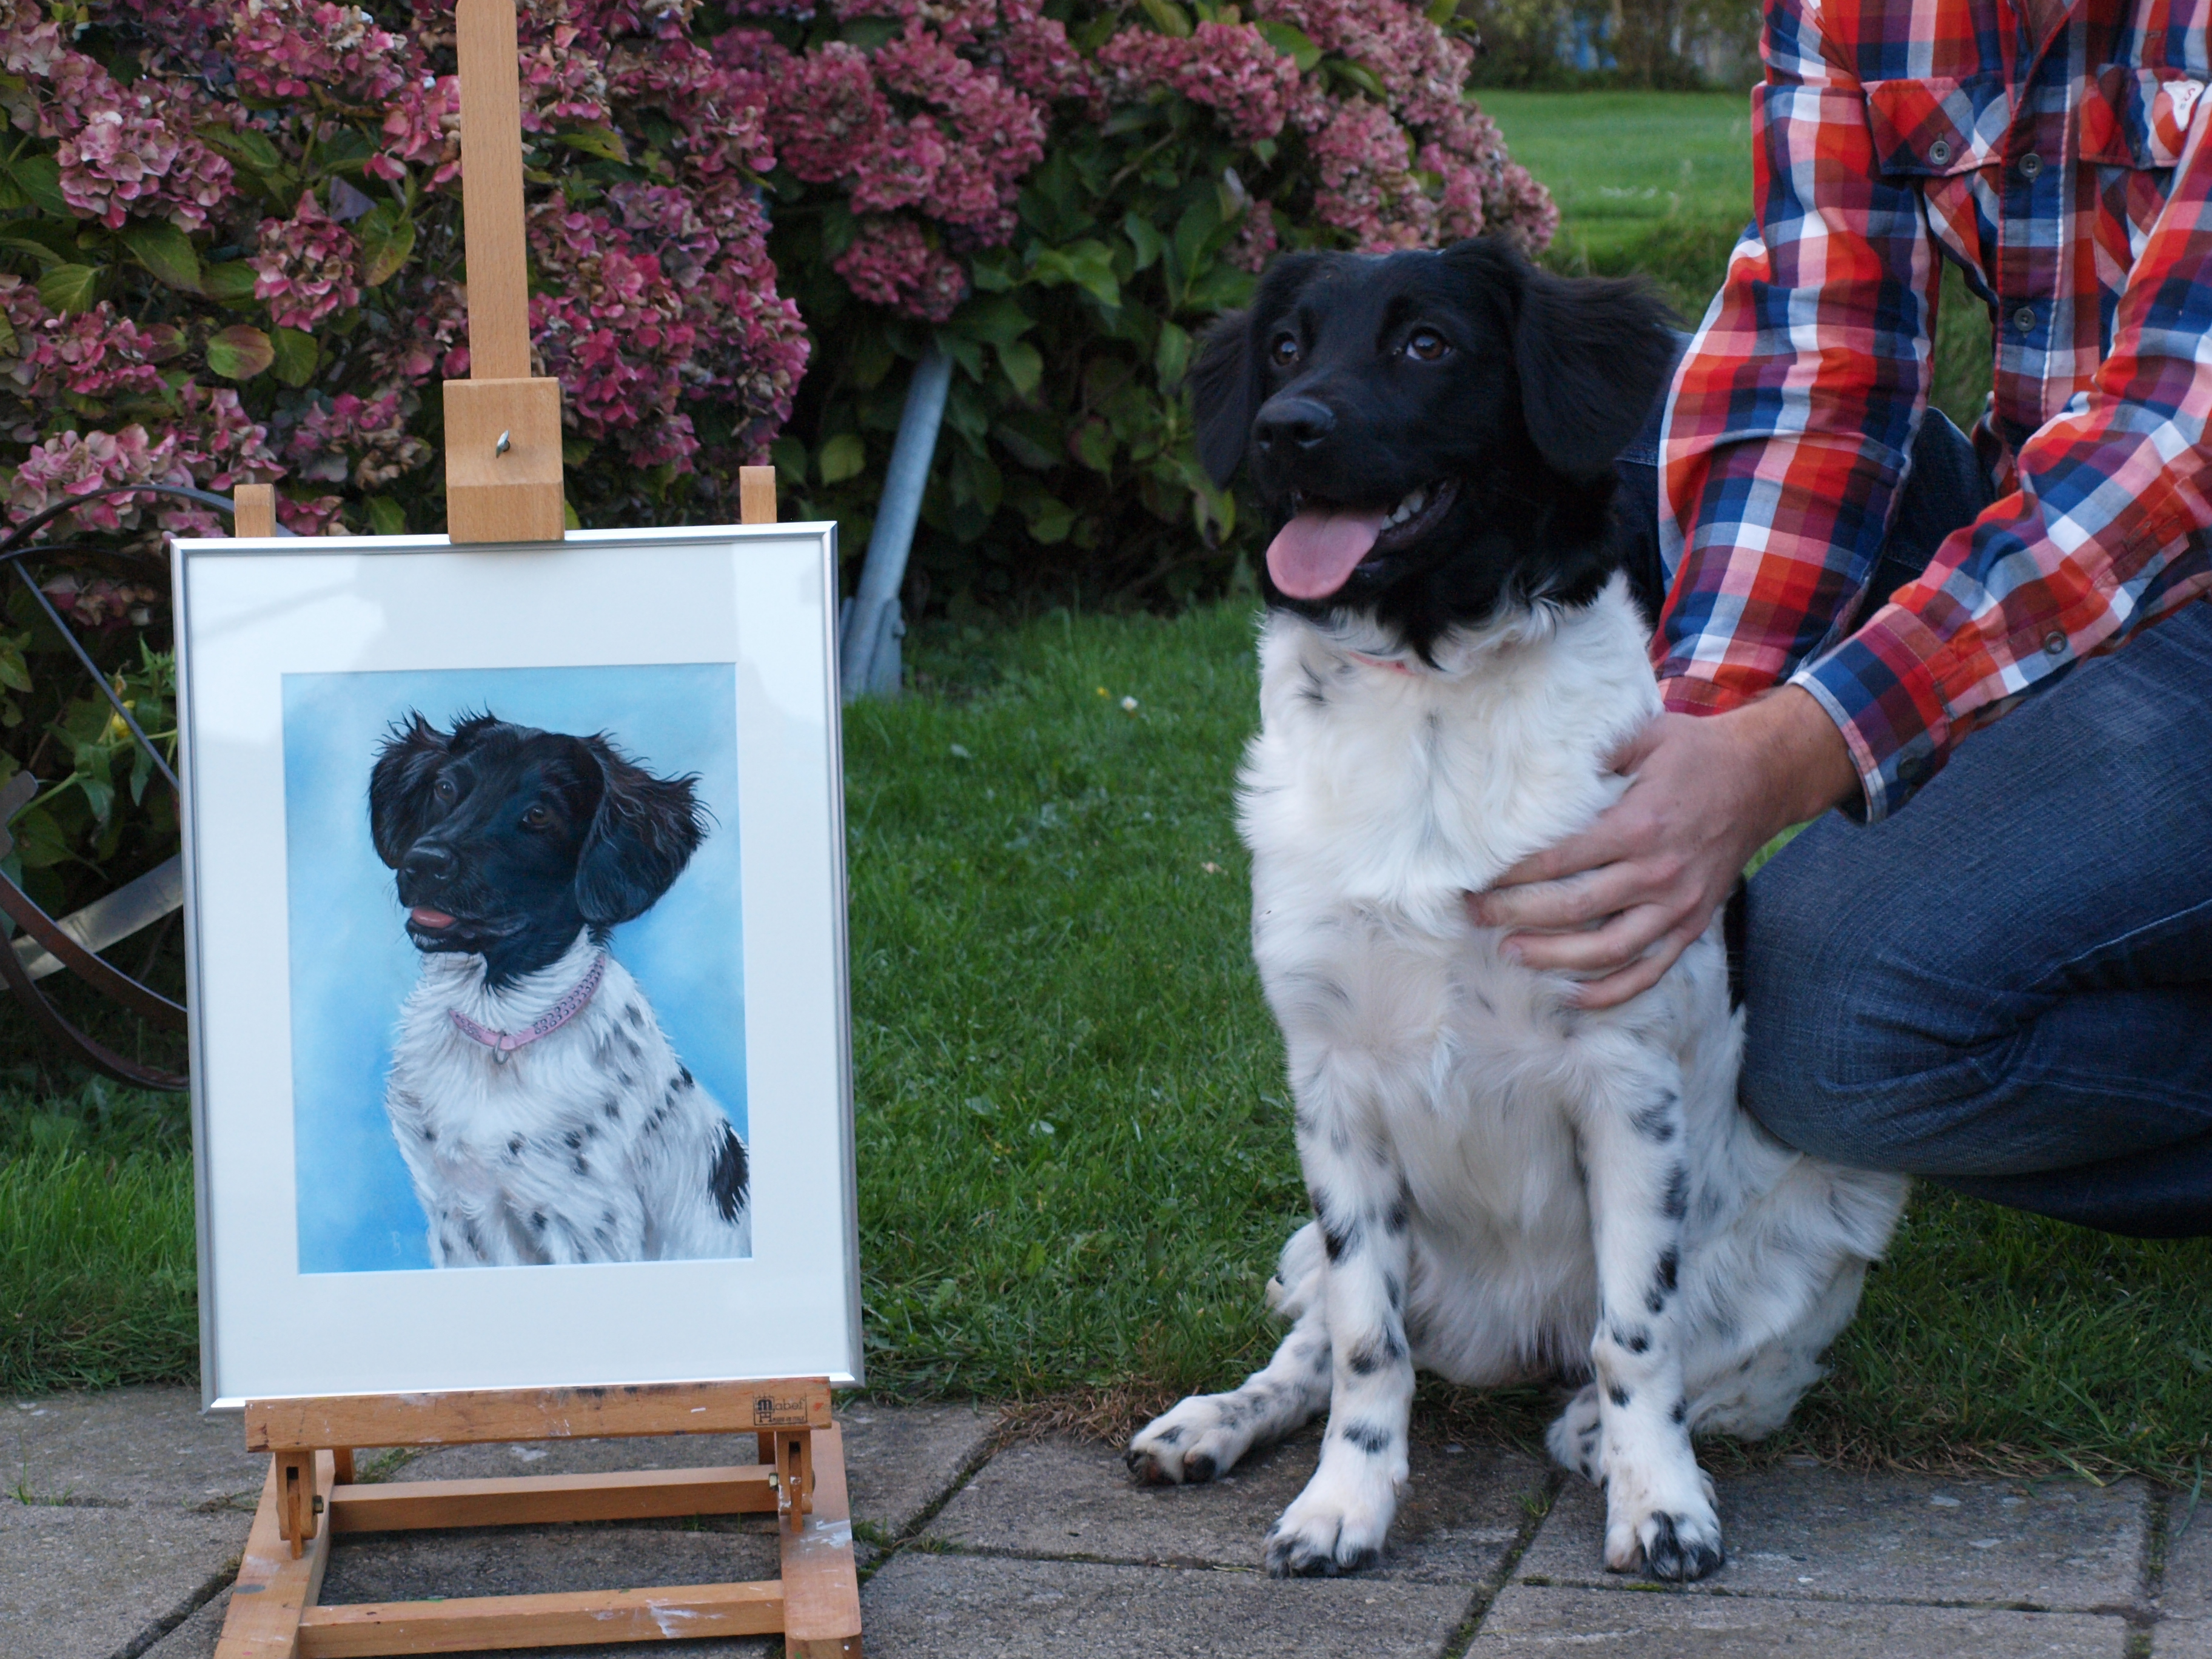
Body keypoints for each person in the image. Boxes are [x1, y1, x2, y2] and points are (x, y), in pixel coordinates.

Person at [1467, 0, 2212, 1236]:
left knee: (1840, 1028)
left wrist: (1782, 756)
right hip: (2064, 536)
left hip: (2168, 524)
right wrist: (1683, 754)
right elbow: (1814, 363)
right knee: (1638, 410)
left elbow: (2165, 454)